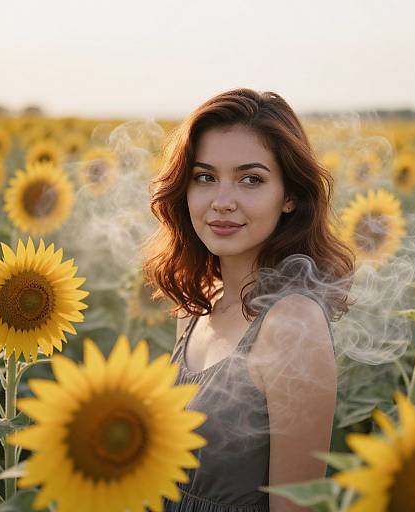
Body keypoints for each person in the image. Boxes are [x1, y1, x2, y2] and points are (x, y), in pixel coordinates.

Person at [143, 88, 355, 512]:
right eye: (205, 177)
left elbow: (296, 507)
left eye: (251, 179)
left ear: (290, 195)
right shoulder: (197, 303)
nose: (222, 202)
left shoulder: (293, 327)